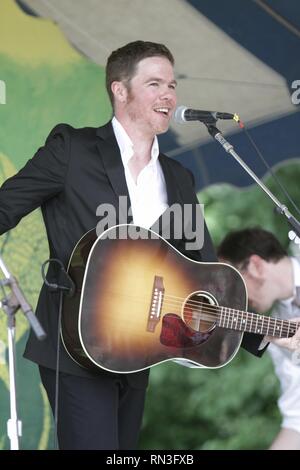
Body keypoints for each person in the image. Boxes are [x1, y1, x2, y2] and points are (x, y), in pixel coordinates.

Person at [0, 41, 265, 450]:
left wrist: (265, 334)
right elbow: (6, 206)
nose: (169, 96)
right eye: (154, 83)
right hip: (74, 345)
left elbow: (209, 279)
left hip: (137, 350)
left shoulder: (177, 177)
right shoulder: (73, 150)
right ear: (119, 91)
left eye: (172, 85)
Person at [218, 227, 300, 450]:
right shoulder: (277, 333)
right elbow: (297, 420)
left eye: (234, 284)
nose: (235, 299)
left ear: (255, 266)